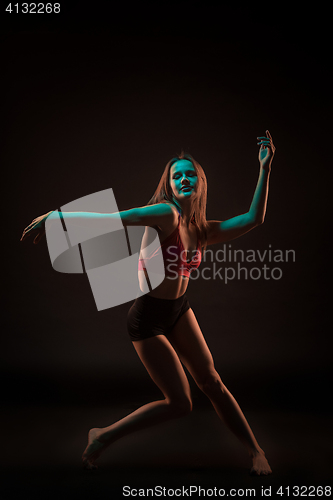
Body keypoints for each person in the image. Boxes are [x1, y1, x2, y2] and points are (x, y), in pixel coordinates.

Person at [20, 130, 275, 475]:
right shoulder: (165, 214)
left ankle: (255, 451)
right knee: (180, 403)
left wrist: (265, 167)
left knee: (212, 382)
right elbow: (115, 220)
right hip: (148, 318)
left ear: (200, 183)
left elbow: (253, 219)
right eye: (177, 176)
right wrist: (58, 218)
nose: (184, 180)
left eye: (190, 175)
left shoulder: (201, 230)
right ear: (169, 185)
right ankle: (103, 435)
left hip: (178, 310)